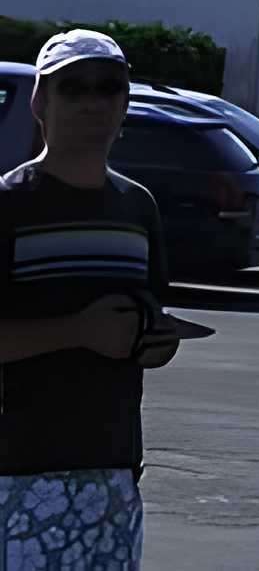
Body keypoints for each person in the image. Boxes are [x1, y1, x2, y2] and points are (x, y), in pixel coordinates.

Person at [0, 29, 183, 569]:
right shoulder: (9, 205)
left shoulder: (137, 208)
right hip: (16, 474)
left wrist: (158, 341)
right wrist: (76, 331)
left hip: (113, 473)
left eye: (109, 88)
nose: (93, 101)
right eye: (74, 87)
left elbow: (149, 317)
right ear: (40, 101)